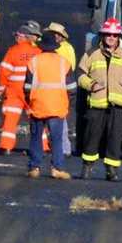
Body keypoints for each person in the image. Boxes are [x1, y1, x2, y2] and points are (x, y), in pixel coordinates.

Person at [76, 17, 122, 181]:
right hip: (97, 105)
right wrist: (91, 85)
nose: (111, 37)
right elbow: (80, 75)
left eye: (115, 35)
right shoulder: (92, 54)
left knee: (115, 140)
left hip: (117, 107)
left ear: (119, 37)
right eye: (108, 34)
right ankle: (87, 168)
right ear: (103, 35)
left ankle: (111, 170)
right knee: (91, 138)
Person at [23, 34, 75, 180]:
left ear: (41, 47)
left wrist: (30, 101)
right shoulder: (64, 63)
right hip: (57, 106)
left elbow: (27, 87)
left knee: (36, 137)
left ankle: (34, 167)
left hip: (37, 105)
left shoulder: (33, 62)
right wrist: (67, 102)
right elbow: (71, 88)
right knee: (56, 139)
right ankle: (57, 168)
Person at [0, 23, 41, 154]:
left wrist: (1, 89)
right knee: (37, 119)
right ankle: (42, 147)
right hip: (32, 91)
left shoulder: (13, 51)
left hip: (14, 92)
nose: (15, 38)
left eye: (17, 36)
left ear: (22, 37)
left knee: (10, 120)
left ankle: (6, 147)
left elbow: (4, 72)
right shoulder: (38, 52)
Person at [45, 22, 75, 156]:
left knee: (60, 119)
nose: (54, 36)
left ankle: (64, 148)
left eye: (56, 34)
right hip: (49, 87)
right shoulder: (49, 45)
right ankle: (53, 146)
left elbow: (69, 68)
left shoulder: (66, 49)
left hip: (59, 88)